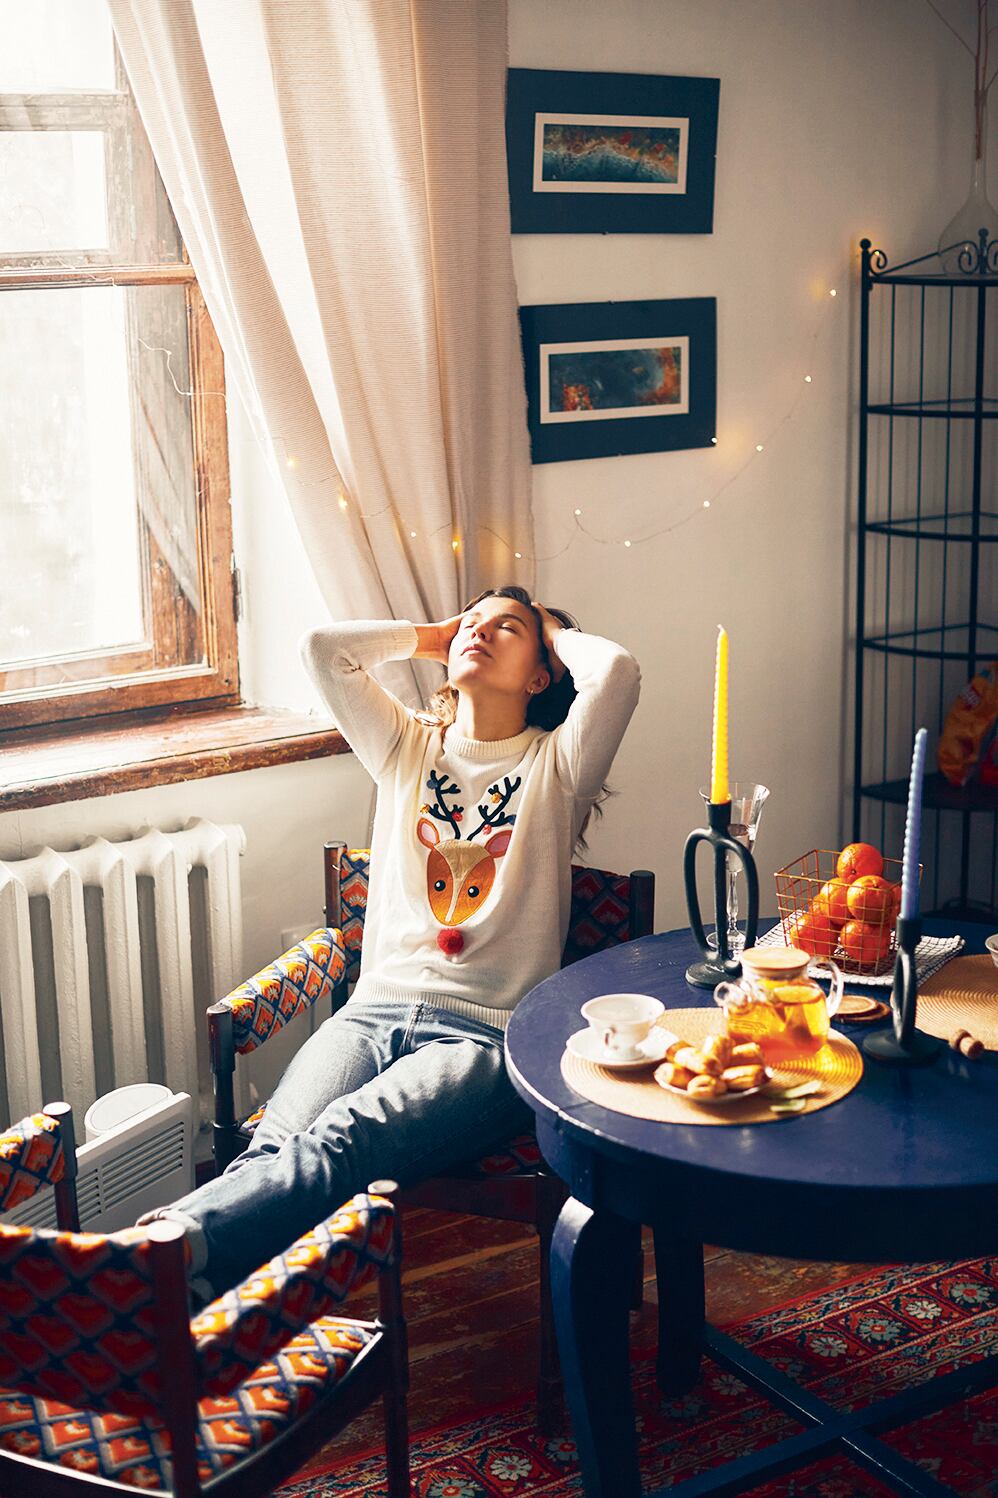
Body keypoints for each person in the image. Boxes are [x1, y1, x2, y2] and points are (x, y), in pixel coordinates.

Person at [143, 586, 641, 1298]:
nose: (478, 631)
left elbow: (616, 671)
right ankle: (184, 1300)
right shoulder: (405, 746)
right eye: (471, 622)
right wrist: (436, 634)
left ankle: (155, 1253)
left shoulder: (557, 768)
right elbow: (323, 650)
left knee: (344, 1138)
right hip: (371, 1012)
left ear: (542, 676)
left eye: (506, 629)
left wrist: (551, 631)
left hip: (483, 1038)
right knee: (276, 1149)